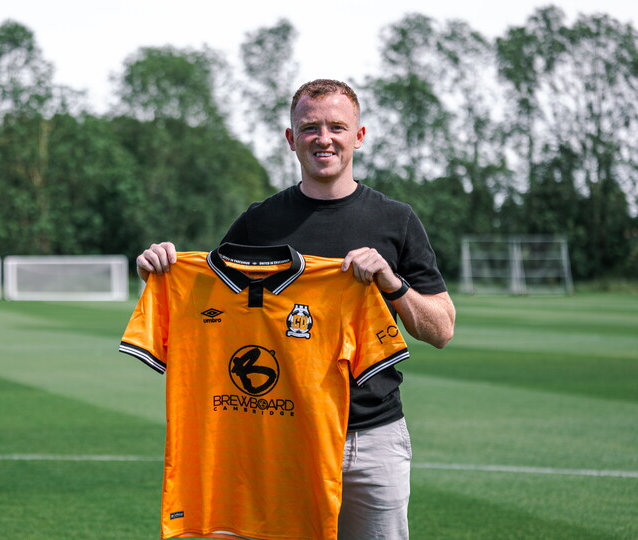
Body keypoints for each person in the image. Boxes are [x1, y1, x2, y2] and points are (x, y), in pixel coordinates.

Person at [135, 79, 456, 540]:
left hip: (370, 437)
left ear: (358, 135)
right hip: (279, 437)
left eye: (337, 127)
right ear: (291, 139)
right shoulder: (258, 221)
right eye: (310, 128)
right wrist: (158, 271)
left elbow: (441, 329)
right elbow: (208, 302)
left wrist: (393, 283)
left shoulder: (395, 219)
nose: (324, 138)